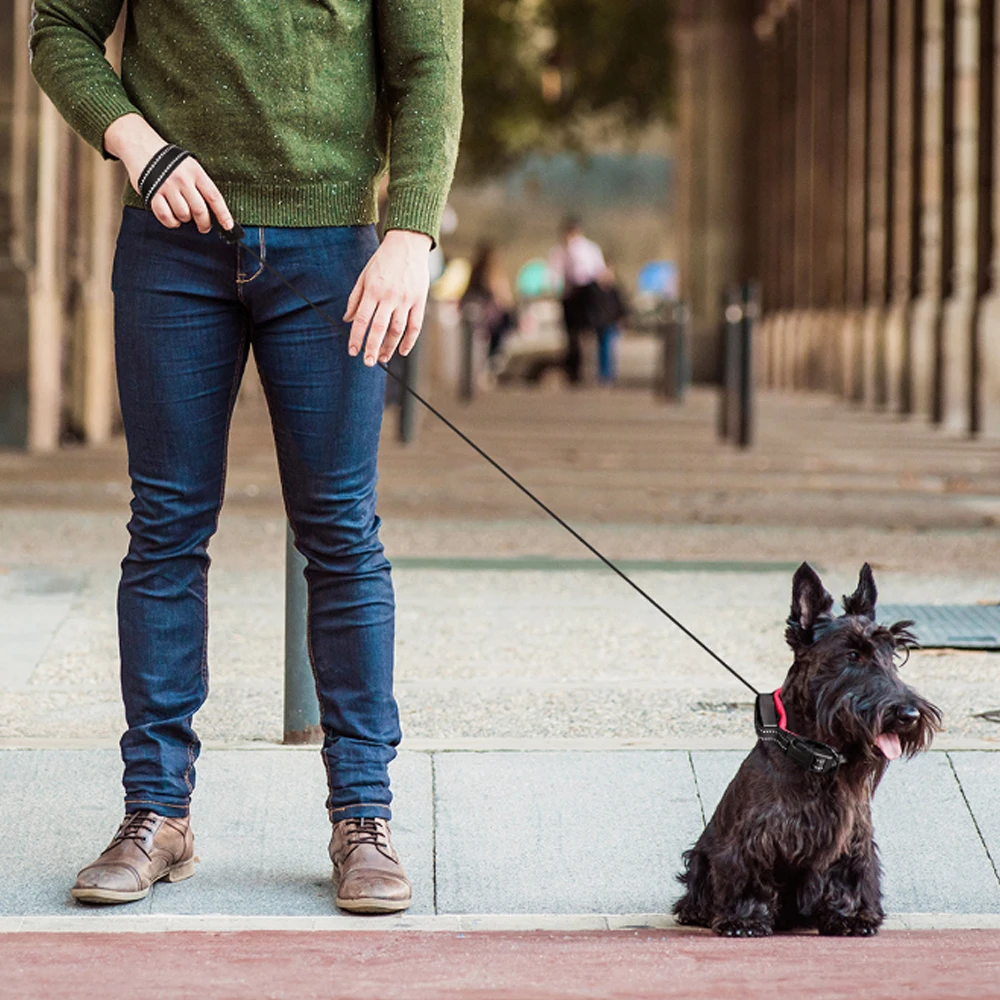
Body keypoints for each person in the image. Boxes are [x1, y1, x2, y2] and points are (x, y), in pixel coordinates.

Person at [29, 0, 462, 913]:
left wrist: (411, 235)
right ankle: (156, 813)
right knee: (166, 528)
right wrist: (137, 145)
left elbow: (429, 69)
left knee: (340, 534)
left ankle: (364, 816)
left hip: (335, 249)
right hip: (170, 243)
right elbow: (59, 26)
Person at [548, 217, 607, 384]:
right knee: (571, 334)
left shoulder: (589, 249)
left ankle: (591, 369)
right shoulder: (559, 251)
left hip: (587, 292)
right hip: (570, 294)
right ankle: (574, 370)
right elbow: (555, 273)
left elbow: (597, 271)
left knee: (588, 332)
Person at [461, 242, 516, 363]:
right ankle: (494, 357)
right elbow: (505, 298)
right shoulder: (492, 275)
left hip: (481, 318)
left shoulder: (478, 273)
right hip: (488, 319)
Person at [596, 264, 628, 385]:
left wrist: (621, 319)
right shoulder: (598, 291)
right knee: (602, 349)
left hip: (611, 323)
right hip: (601, 323)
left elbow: (621, 306)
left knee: (608, 348)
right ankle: (604, 374)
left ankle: (608, 374)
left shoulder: (615, 291)